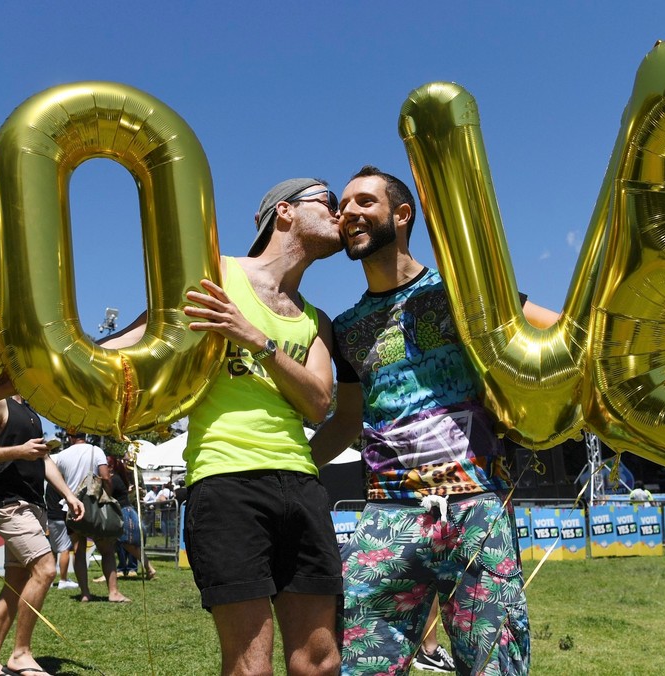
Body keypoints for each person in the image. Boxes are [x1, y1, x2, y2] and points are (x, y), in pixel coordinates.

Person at [311, 166, 559, 675]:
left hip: (476, 507)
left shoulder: (464, 293)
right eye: (344, 206)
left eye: (364, 202)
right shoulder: (346, 328)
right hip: (388, 515)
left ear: (401, 215)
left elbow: (558, 334)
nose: (347, 213)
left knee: (495, 666)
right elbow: (346, 422)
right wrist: (289, 465)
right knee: (360, 665)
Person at [100, 177, 346, 674]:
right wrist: (20, 378)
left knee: (320, 661)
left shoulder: (317, 320)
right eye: (330, 201)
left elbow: (319, 403)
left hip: (303, 484)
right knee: (249, 665)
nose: (342, 214)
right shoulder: (217, 273)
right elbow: (130, 341)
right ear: (285, 213)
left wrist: (257, 340)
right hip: (225, 482)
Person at [0, 394, 84, 676]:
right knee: (45, 569)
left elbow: (42, 458)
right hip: (10, 506)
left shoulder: (30, 410)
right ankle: (21, 654)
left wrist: (68, 495)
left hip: (34, 505)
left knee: (15, 582)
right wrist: (18, 451)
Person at [55, 431, 129, 604]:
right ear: (86, 435)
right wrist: (108, 498)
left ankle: (85, 593)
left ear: (70, 437)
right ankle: (113, 593)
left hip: (72, 509)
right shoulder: (96, 451)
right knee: (107, 550)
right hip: (95, 508)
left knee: (78, 551)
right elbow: (105, 477)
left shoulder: (61, 456)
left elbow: (57, 481)